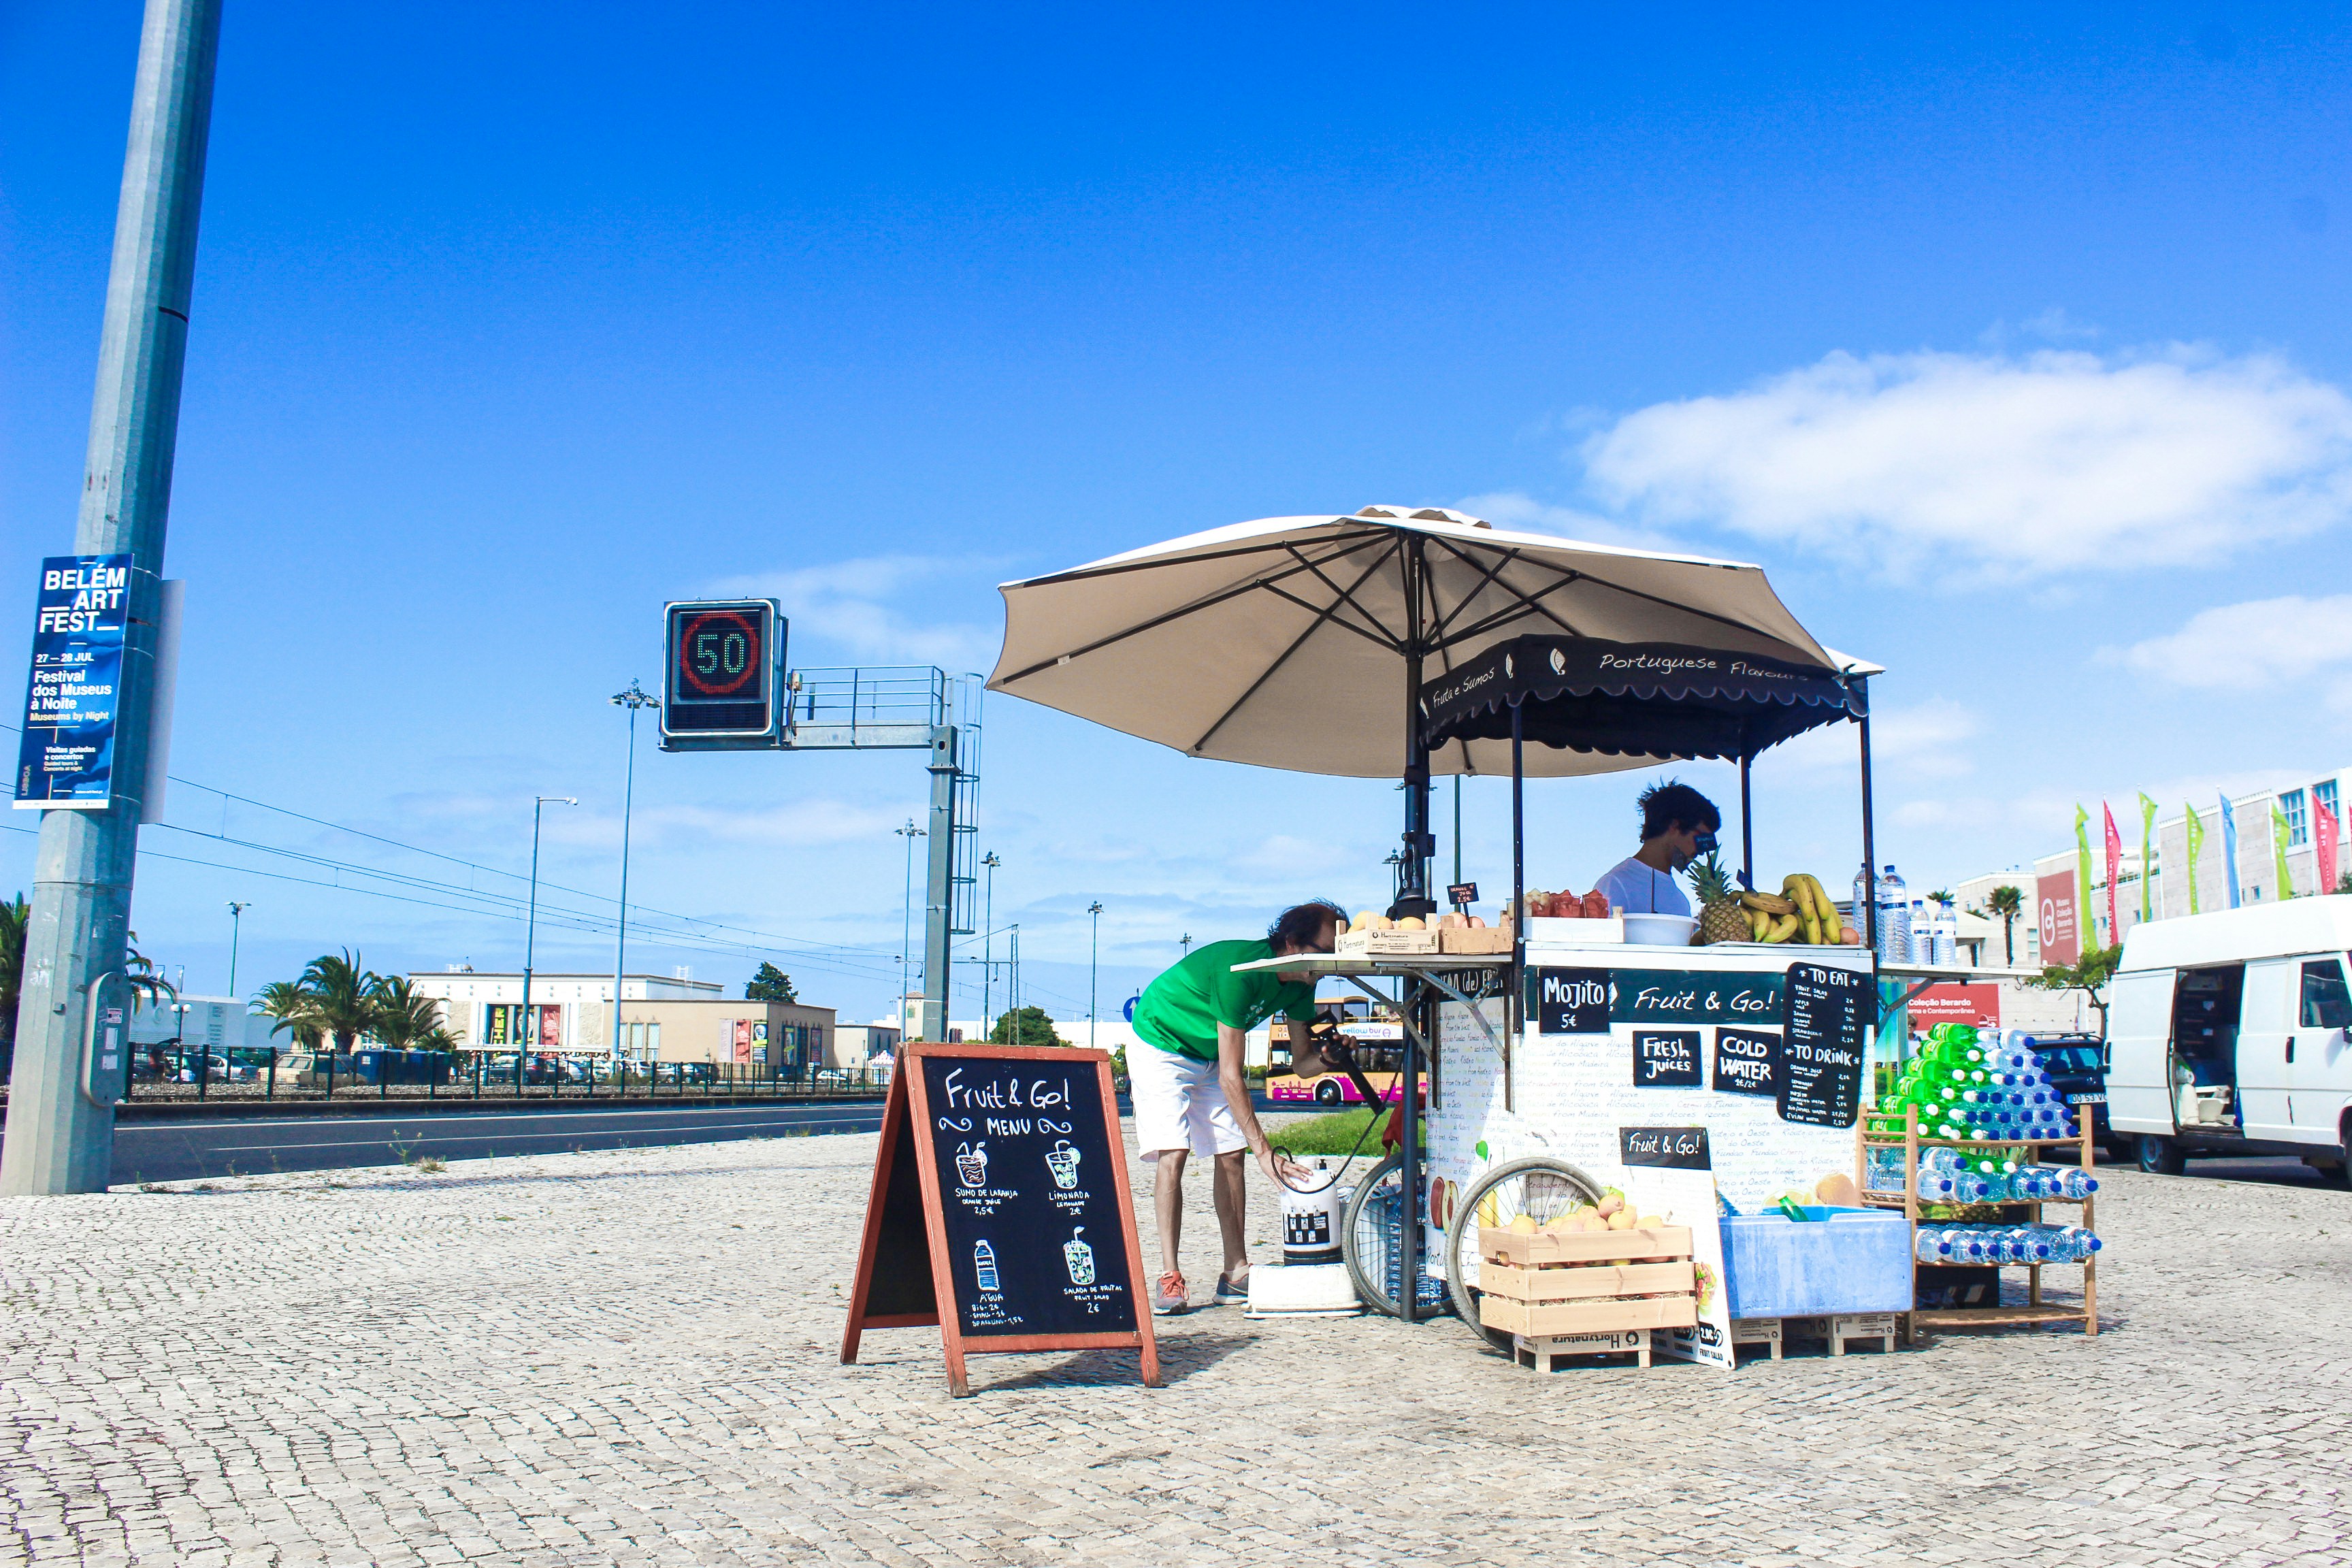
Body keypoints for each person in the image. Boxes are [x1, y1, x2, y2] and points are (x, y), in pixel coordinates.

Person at [1126, 900, 1337, 1315]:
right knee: (1174, 1151)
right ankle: (1169, 1274)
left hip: (1209, 1055)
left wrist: (1332, 1059)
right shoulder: (1240, 970)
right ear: (1292, 944)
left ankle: (1235, 1272)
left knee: (1231, 1155)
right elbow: (1231, 1075)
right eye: (1323, 953)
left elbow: (1301, 1064)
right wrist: (1266, 1150)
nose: (1328, 966)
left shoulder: (1301, 982)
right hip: (1162, 1042)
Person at [1595, 779, 1722, 916]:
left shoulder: (1681, 900)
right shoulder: (1615, 884)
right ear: (1674, 826)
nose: (1702, 851)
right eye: (1701, 838)